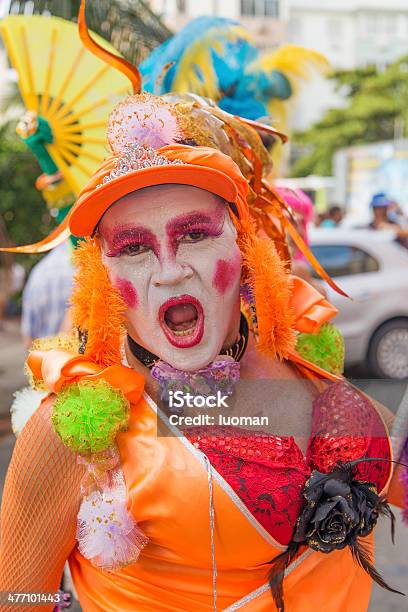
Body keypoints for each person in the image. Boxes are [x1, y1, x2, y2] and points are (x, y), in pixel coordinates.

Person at [0, 11, 407, 612]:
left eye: (193, 234)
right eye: (134, 248)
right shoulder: (74, 428)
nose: (168, 270)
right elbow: (21, 596)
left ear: (245, 252)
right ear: (102, 279)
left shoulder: (309, 377)